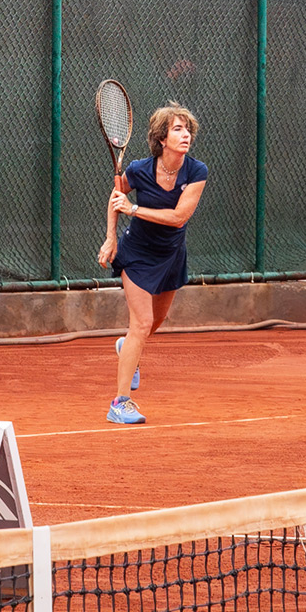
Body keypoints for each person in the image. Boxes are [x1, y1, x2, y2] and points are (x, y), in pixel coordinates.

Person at [97, 101, 207, 425]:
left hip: (171, 255)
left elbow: (178, 217)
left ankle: (126, 346)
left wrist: (133, 209)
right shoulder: (138, 170)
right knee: (142, 323)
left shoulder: (196, 171)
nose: (185, 135)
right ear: (162, 138)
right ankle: (120, 403)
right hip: (138, 254)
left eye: (187, 129)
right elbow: (116, 198)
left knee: (154, 323)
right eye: (177, 129)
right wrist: (111, 238)